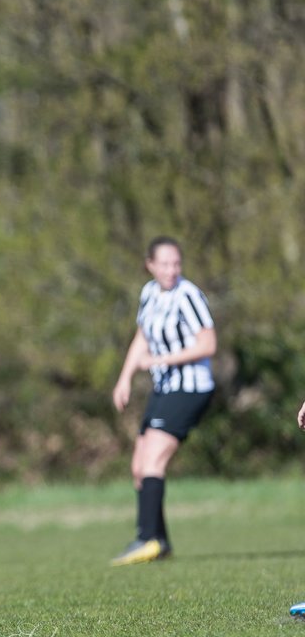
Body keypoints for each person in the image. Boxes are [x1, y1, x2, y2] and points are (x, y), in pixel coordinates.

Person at [110, 236, 216, 566]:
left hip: (191, 387)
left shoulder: (189, 296)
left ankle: (148, 539)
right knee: (139, 468)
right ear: (150, 265)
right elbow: (142, 336)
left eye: (176, 264)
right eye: (165, 264)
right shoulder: (149, 294)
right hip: (163, 389)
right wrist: (125, 377)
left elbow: (208, 344)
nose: (171, 270)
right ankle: (160, 543)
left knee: (154, 461)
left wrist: (162, 360)